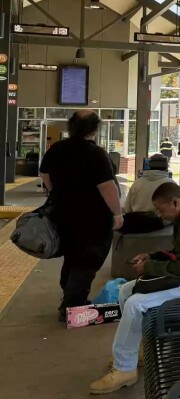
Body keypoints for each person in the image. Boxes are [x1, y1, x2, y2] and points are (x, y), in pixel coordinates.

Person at [89, 182, 180, 394]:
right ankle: (138, 351)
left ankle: (124, 368)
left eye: (162, 210)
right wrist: (151, 257)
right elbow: (178, 254)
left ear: (175, 202)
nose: (160, 215)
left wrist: (150, 267)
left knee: (135, 304)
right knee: (126, 291)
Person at [39, 110, 124, 322]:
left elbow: (45, 174)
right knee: (87, 261)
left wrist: (56, 193)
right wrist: (117, 213)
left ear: (71, 127)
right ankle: (73, 307)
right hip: (93, 220)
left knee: (72, 256)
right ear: (95, 129)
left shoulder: (57, 149)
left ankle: (69, 299)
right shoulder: (96, 154)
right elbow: (107, 187)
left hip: (63, 216)